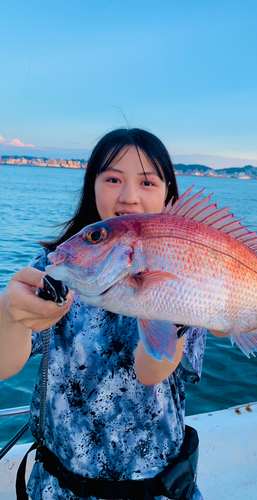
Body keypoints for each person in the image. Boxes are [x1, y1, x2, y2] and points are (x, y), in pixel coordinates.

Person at [0, 128, 207, 500]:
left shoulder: (189, 275)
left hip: (154, 487)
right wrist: (8, 312)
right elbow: (2, 365)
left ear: (168, 195)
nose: (129, 196)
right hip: (58, 483)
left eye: (147, 182)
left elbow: (151, 371)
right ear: (91, 186)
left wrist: (176, 308)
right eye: (112, 179)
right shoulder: (56, 269)